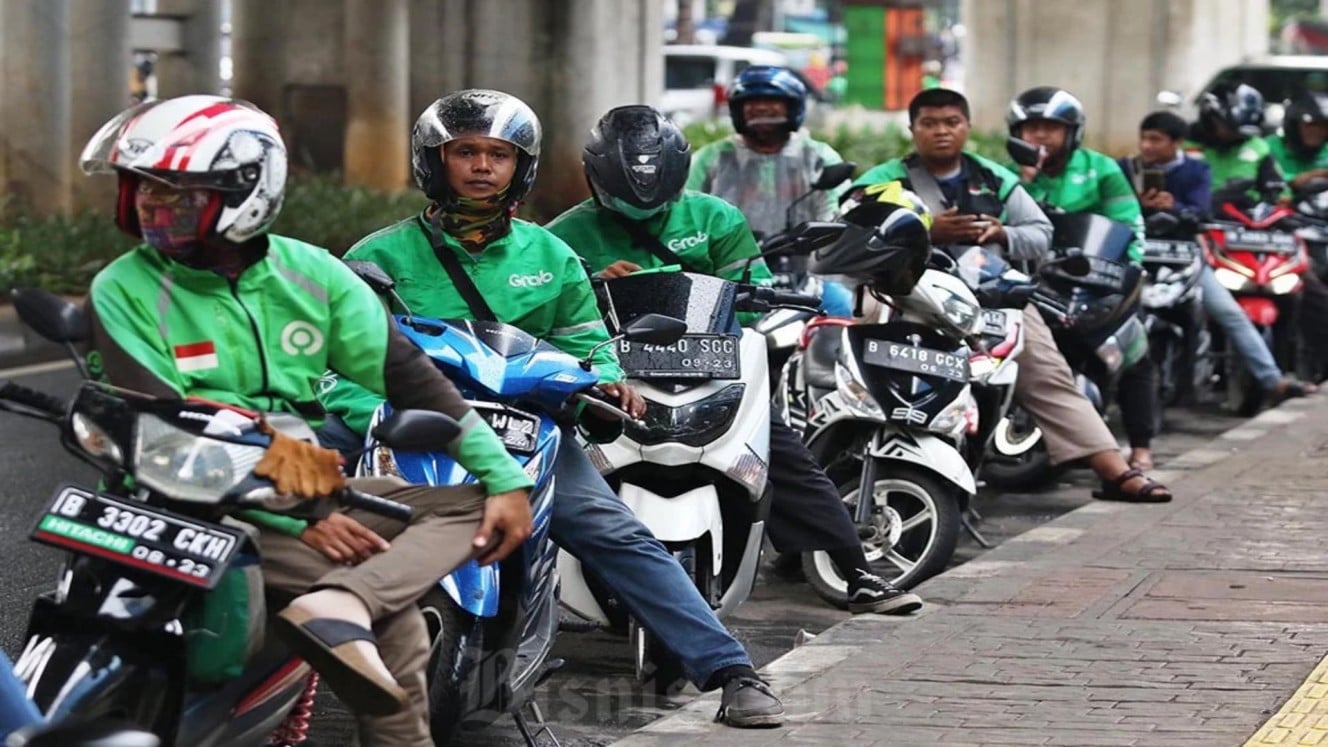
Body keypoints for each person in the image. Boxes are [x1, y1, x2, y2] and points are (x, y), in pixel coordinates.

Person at [317, 89, 785, 728]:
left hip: (522, 428)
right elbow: (337, 359)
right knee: (286, 500)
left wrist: (607, 380)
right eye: (466, 152)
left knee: (615, 532)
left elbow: (585, 339)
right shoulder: (378, 255)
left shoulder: (550, 254)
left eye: (499, 155)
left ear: (521, 167)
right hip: (409, 425)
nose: (483, 166)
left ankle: (732, 670)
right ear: (435, 161)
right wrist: (369, 409)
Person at [79, 94, 535, 746]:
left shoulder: (313, 274)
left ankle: (346, 601)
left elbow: (413, 380)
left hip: (304, 483)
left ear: (246, 194)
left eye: (174, 192)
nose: (150, 204)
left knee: (474, 504)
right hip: (179, 498)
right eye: (142, 188)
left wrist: (506, 478)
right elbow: (166, 427)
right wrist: (306, 516)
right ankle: (352, 604)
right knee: (401, 631)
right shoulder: (122, 288)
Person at [546, 103, 928, 611]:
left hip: (711, 366)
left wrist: (748, 301)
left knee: (784, 457)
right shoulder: (562, 237)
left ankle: (856, 571)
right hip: (616, 377)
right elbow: (548, 312)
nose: (641, 206)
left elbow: (755, 290)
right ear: (595, 180)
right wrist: (595, 286)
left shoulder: (715, 217)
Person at [855, 87, 1167, 500]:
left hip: (988, 298)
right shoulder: (883, 178)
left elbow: (1041, 233)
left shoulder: (994, 178)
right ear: (913, 129)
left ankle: (1114, 470)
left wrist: (1002, 232)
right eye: (929, 124)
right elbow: (852, 224)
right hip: (906, 296)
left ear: (967, 128)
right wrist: (928, 229)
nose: (941, 132)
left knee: (1048, 373)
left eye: (951, 123)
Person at [1006, 85, 1169, 481]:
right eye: (1032, 128)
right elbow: (1005, 223)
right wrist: (1028, 180)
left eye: (1051, 127)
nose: (1041, 136)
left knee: (1134, 350)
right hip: (1033, 280)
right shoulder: (1006, 175)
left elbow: (1130, 224)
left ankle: (1141, 447)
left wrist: (1130, 270)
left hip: (1095, 278)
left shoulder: (1102, 169)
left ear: (1071, 131)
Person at [1119, 110, 1316, 403]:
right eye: (1144, 138)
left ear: (1177, 143)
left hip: (1185, 259)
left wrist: (1174, 209)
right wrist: (1139, 206)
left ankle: (1272, 380)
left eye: (1156, 140)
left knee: (1230, 313)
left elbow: (1203, 211)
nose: (1147, 146)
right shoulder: (1123, 168)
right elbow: (1111, 209)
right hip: (1134, 256)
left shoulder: (1197, 171)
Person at [687, 65, 853, 316]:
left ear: (793, 107)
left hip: (804, 271)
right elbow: (686, 210)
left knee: (841, 311)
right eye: (753, 103)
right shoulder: (711, 158)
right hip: (727, 271)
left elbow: (836, 211)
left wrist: (818, 234)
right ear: (738, 110)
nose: (762, 108)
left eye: (772, 102)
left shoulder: (818, 156)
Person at [1185, 82, 1285, 205]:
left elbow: (1280, 193)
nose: (1237, 136)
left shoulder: (1258, 147)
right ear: (1211, 117)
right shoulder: (1181, 144)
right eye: (1231, 128)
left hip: (1242, 217)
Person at [1268, 91, 1328, 189]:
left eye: (1324, 125)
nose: (1318, 131)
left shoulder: (1326, 151)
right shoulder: (1266, 148)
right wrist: (1297, 179)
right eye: (1311, 124)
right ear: (1294, 125)